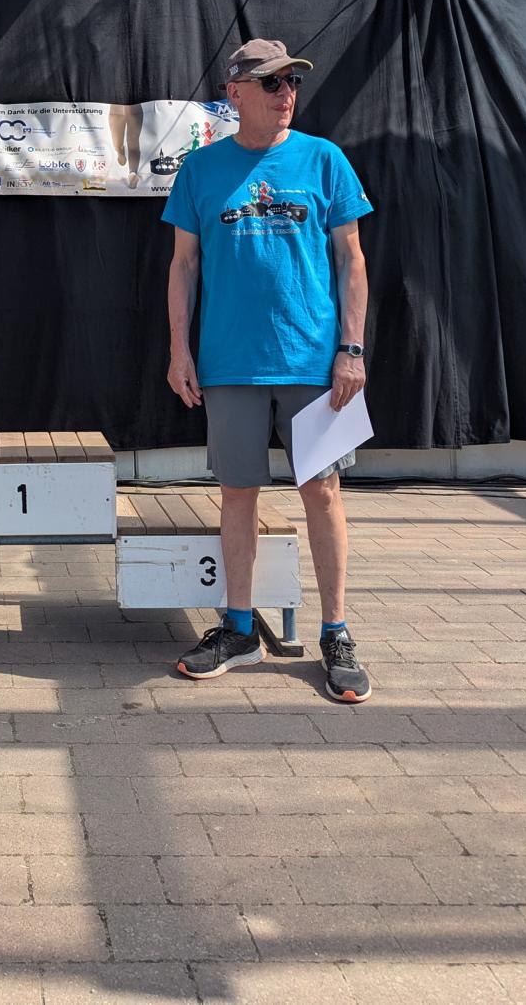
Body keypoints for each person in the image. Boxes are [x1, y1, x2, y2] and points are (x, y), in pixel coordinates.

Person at [162, 39, 373, 702]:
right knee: (237, 494)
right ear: (236, 93)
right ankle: (238, 628)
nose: (287, 93)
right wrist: (179, 349)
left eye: (292, 82)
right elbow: (184, 265)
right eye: (273, 83)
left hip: (313, 360)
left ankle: (336, 632)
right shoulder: (201, 168)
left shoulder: (323, 158)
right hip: (229, 362)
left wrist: (352, 349)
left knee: (323, 493)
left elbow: (352, 260)